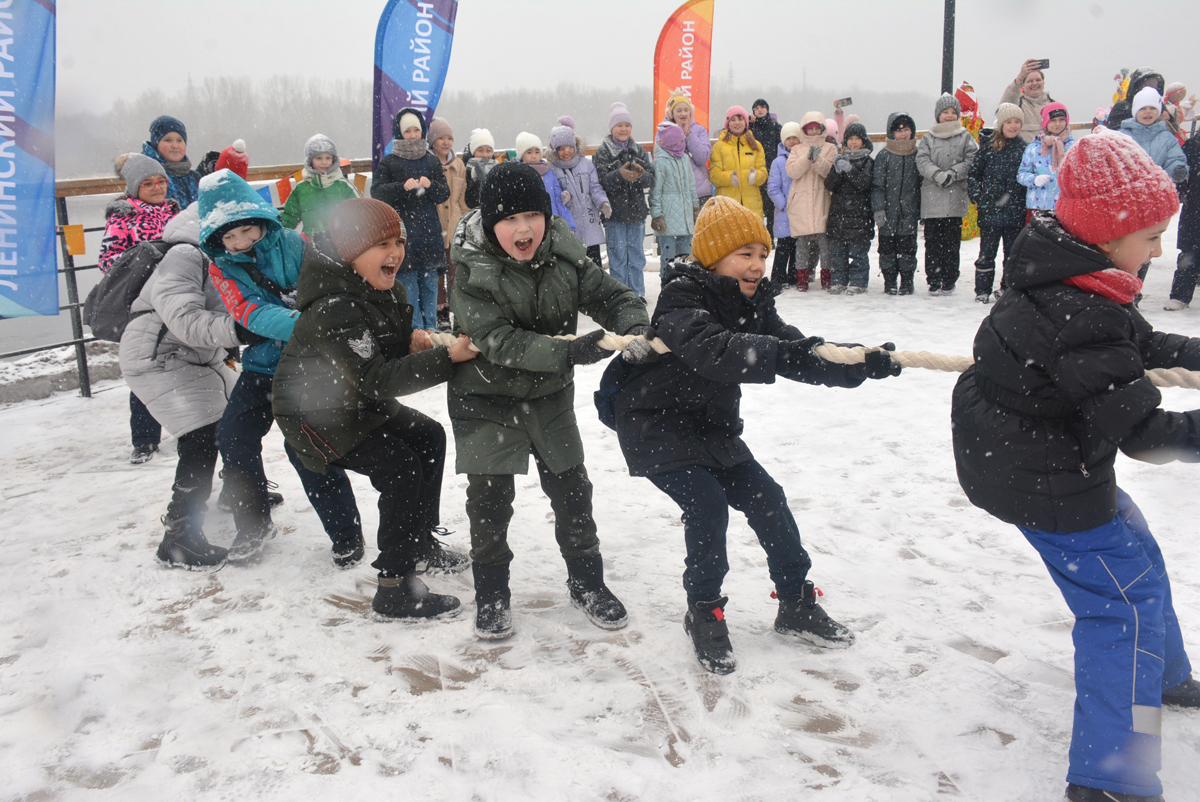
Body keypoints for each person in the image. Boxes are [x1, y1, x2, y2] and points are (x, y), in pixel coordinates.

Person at [952, 131, 1200, 802]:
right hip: (1046, 476)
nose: (1158, 251)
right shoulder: (1080, 311)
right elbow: (1145, 434)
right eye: (1151, 236)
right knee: (1124, 613)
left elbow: (1137, 343)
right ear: (1109, 232)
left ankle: (1164, 676)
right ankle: (1112, 776)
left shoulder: (1067, 274)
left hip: (1028, 455)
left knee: (1137, 559)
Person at [604, 195, 901, 674]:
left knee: (768, 498)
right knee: (706, 504)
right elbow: (715, 350)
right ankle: (703, 609)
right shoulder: (681, 298)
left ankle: (796, 602)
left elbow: (799, 352)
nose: (758, 265)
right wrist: (779, 353)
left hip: (711, 428)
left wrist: (859, 361)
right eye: (745, 254)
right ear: (712, 256)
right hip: (655, 426)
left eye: (762, 254)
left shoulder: (753, 305)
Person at [447, 161, 651, 641]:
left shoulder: (563, 253)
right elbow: (497, 339)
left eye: (532, 215)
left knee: (573, 491)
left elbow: (611, 295)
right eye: (509, 219)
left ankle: (587, 581)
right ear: (491, 223)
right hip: (486, 397)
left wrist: (634, 324)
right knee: (490, 503)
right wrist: (571, 350)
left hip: (548, 397)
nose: (523, 229)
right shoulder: (471, 270)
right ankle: (492, 592)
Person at [272, 199, 475, 618]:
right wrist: (446, 358)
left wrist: (414, 344)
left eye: (398, 241)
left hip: (355, 401)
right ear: (351, 252)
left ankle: (419, 542)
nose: (395, 253)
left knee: (428, 436)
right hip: (314, 415)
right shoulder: (333, 307)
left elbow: (376, 358)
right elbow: (376, 377)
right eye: (381, 243)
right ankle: (395, 585)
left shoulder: (383, 289)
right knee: (400, 469)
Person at [201, 169, 366, 566]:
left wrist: (313, 328)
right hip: (261, 367)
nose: (240, 243)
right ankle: (253, 522)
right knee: (233, 436)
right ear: (216, 239)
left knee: (307, 448)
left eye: (246, 231)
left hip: (305, 367)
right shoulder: (221, 267)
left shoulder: (294, 243)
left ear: (259, 221)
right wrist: (303, 324)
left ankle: (346, 533)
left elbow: (322, 287)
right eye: (229, 237)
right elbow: (247, 312)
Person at [119, 202, 250, 567]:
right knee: (201, 436)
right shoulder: (184, 254)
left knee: (237, 420)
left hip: (195, 353)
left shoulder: (227, 254)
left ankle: (242, 494)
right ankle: (179, 536)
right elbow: (186, 320)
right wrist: (242, 329)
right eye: (233, 230)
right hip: (158, 354)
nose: (243, 239)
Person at [101, 153, 183, 464]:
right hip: (143, 302)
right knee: (144, 365)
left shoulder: (174, 211)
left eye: (161, 181)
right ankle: (145, 438)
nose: (157, 187)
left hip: (177, 295)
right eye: (148, 183)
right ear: (135, 187)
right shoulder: (123, 216)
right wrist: (144, 261)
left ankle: (191, 423)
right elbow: (108, 261)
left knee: (187, 360)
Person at [370, 108, 452, 331]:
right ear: (399, 133)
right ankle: (414, 332)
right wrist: (400, 187)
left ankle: (432, 330)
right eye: (408, 131)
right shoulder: (389, 162)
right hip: (402, 237)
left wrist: (431, 185)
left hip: (430, 235)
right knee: (408, 287)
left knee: (430, 286)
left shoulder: (432, 161)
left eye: (417, 130)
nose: (413, 135)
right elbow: (376, 192)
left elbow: (444, 193)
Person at [916, 93, 978, 295]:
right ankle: (933, 279)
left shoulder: (965, 136)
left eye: (953, 112)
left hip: (955, 198)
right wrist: (937, 174)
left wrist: (954, 173)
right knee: (933, 243)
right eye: (945, 112)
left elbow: (971, 159)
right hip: (932, 200)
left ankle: (949, 279)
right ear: (938, 115)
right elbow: (922, 161)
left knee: (952, 244)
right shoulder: (928, 138)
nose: (949, 116)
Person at [593, 102, 655, 298]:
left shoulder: (638, 149)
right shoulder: (603, 151)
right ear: (612, 128)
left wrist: (641, 174)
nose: (624, 129)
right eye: (619, 125)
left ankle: (637, 295)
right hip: (615, 214)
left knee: (636, 258)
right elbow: (601, 181)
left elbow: (652, 179)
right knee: (618, 258)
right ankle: (621, 298)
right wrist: (619, 175)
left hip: (637, 213)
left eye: (627, 125)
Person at [968, 103, 1028, 303]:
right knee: (986, 253)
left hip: (1015, 211)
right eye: (1009, 122)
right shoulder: (988, 148)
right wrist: (977, 196)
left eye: (1017, 122)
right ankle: (982, 290)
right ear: (1001, 125)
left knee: (1012, 255)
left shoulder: (1024, 149)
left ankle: (1007, 288)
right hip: (990, 210)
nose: (1013, 126)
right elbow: (974, 174)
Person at [786, 112, 838, 291]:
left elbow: (829, 172)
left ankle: (827, 277)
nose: (814, 132)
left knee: (825, 244)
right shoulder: (797, 149)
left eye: (817, 128)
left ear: (822, 129)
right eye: (811, 128)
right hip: (801, 202)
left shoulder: (830, 148)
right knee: (802, 245)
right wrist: (807, 158)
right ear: (805, 130)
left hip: (822, 201)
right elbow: (792, 171)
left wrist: (817, 159)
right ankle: (802, 280)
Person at [871, 113, 922, 296]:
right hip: (888, 213)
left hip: (909, 212)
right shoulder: (884, 156)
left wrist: (919, 210)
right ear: (891, 133)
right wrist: (878, 208)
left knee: (908, 249)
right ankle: (890, 281)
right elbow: (877, 186)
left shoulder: (917, 155)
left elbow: (920, 185)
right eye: (898, 130)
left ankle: (907, 281)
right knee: (887, 249)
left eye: (906, 130)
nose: (903, 134)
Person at [547, 124, 611, 269]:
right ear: (555, 150)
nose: (565, 152)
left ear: (575, 146)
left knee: (594, 265)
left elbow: (595, 188)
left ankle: (597, 291)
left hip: (589, 221)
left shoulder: (586, 164)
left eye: (568, 147)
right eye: (561, 148)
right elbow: (553, 194)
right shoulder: (552, 169)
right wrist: (564, 197)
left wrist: (602, 202)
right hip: (570, 223)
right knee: (574, 264)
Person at [824, 121, 875, 294]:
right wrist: (837, 172)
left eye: (857, 139)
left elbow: (864, 184)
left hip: (860, 217)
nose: (853, 142)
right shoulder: (840, 159)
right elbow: (829, 185)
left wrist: (850, 170)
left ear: (863, 141)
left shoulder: (868, 161)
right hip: (839, 216)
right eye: (850, 139)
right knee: (838, 253)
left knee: (858, 254)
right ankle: (838, 280)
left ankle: (859, 282)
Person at [428, 118, 468, 331]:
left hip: (454, 228)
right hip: (433, 229)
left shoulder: (459, 164)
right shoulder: (427, 162)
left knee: (456, 274)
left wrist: (466, 220)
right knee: (437, 276)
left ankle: (458, 314)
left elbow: (461, 198)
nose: (446, 142)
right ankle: (441, 314)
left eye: (449, 138)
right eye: (441, 138)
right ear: (432, 140)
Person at [280, 134, 359, 235]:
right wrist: (274, 227)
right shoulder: (301, 188)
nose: (324, 162)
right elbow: (290, 216)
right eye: (319, 158)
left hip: (341, 241)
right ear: (310, 161)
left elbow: (358, 213)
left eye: (328, 158)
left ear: (333, 160)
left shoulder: (344, 186)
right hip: (311, 242)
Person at [1017, 103, 1076, 226]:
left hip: (1066, 206)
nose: (1057, 124)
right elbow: (1021, 174)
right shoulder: (1033, 148)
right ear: (1045, 123)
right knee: (1038, 244)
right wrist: (1034, 179)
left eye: (1061, 120)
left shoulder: (1073, 148)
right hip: (1038, 206)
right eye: (1053, 120)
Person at [649, 122, 700, 262]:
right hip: (668, 219)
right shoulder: (660, 163)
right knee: (668, 258)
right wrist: (657, 215)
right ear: (670, 143)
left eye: (683, 140)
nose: (682, 144)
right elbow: (655, 192)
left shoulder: (684, 159)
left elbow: (691, 186)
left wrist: (695, 208)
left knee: (687, 256)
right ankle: (667, 281)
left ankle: (685, 281)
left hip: (686, 217)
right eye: (679, 141)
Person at [1121, 87, 1189, 184]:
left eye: (1152, 108)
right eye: (1142, 108)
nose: (1148, 111)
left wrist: (1176, 169)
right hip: (1129, 189)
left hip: (1157, 189)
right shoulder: (1123, 136)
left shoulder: (1167, 138)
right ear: (1135, 112)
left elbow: (1174, 158)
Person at [709, 106, 768, 217]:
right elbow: (713, 175)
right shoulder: (719, 147)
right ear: (728, 123)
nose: (737, 123)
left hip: (752, 207)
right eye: (733, 119)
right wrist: (729, 178)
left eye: (740, 119)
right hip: (727, 206)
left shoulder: (756, 146)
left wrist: (756, 176)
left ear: (746, 122)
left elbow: (764, 173)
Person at [1165, 133, 1200, 310]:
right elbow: (1179, 171)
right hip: (1196, 209)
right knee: (1189, 254)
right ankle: (1180, 296)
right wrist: (1183, 190)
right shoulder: (1193, 145)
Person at [515, 131, 575, 230]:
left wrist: (569, 225)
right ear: (521, 155)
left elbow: (559, 201)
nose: (534, 156)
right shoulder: (517, 175)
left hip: (552, 224)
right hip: (530, 226)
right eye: (529, 152)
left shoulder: (549, 174)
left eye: (537, 152)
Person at [766, 122, 801, 287]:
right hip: (784, 213)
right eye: (789, 138)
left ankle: (794, 276)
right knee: (783, 248)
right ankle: (778, 277)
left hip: (800, 212)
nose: (792, 141)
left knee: (797, 247)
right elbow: (773, 188)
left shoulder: (803, 160)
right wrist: (785, 205)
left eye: (795, 138)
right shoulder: (778, 162)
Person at [141, 115, 201, 208]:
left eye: (179, 140)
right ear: (156, 144)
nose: (175, 145)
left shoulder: (194, 177)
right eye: (168, 140)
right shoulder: (145, 175)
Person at [663, 94, 713, 205]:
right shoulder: (663, 132)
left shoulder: (700, 130)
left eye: (686, 110)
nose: (683, 114)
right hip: (675, 194)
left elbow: (702, 157)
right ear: (671, 113)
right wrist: (678, 136)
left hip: (700, 192)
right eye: (679, 110)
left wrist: (689, 135)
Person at [999, 60, 1057, 143]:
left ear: (1043, 83)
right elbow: (1004, 107)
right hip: (1025, 152)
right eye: (1030, 81)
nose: (1034, 83)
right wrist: (1019, 79)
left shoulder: (1054, 106)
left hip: (1050, 153)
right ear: (1023, 86)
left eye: (1038, 80)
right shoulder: (1019, 105)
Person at [750, 99, 782, 236]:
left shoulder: (775, 127)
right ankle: (757, 234)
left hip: (772, 170)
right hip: (755, 171)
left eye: (762, 107)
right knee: (756, 205)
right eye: (757, 108)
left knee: (770, 206)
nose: (760, 110)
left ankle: (770, 234)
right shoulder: (750, 128)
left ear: (767, 110)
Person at [1107, 67, 1165, 132]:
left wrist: (1166, 122)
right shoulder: (1122, 107)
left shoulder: (1159, 106)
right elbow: (1113, 134)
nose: (1149, 90)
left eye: (1154, 87)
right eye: (1146, 86)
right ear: (1136, 86)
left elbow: (1174, 132)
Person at [462, 128, 498, 210]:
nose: (485, 155)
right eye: (480, 150)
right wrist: (478, 182)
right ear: (473, 152)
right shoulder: (466, 169)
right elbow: (470, 201)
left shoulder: (497, 168)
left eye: (488, 150)